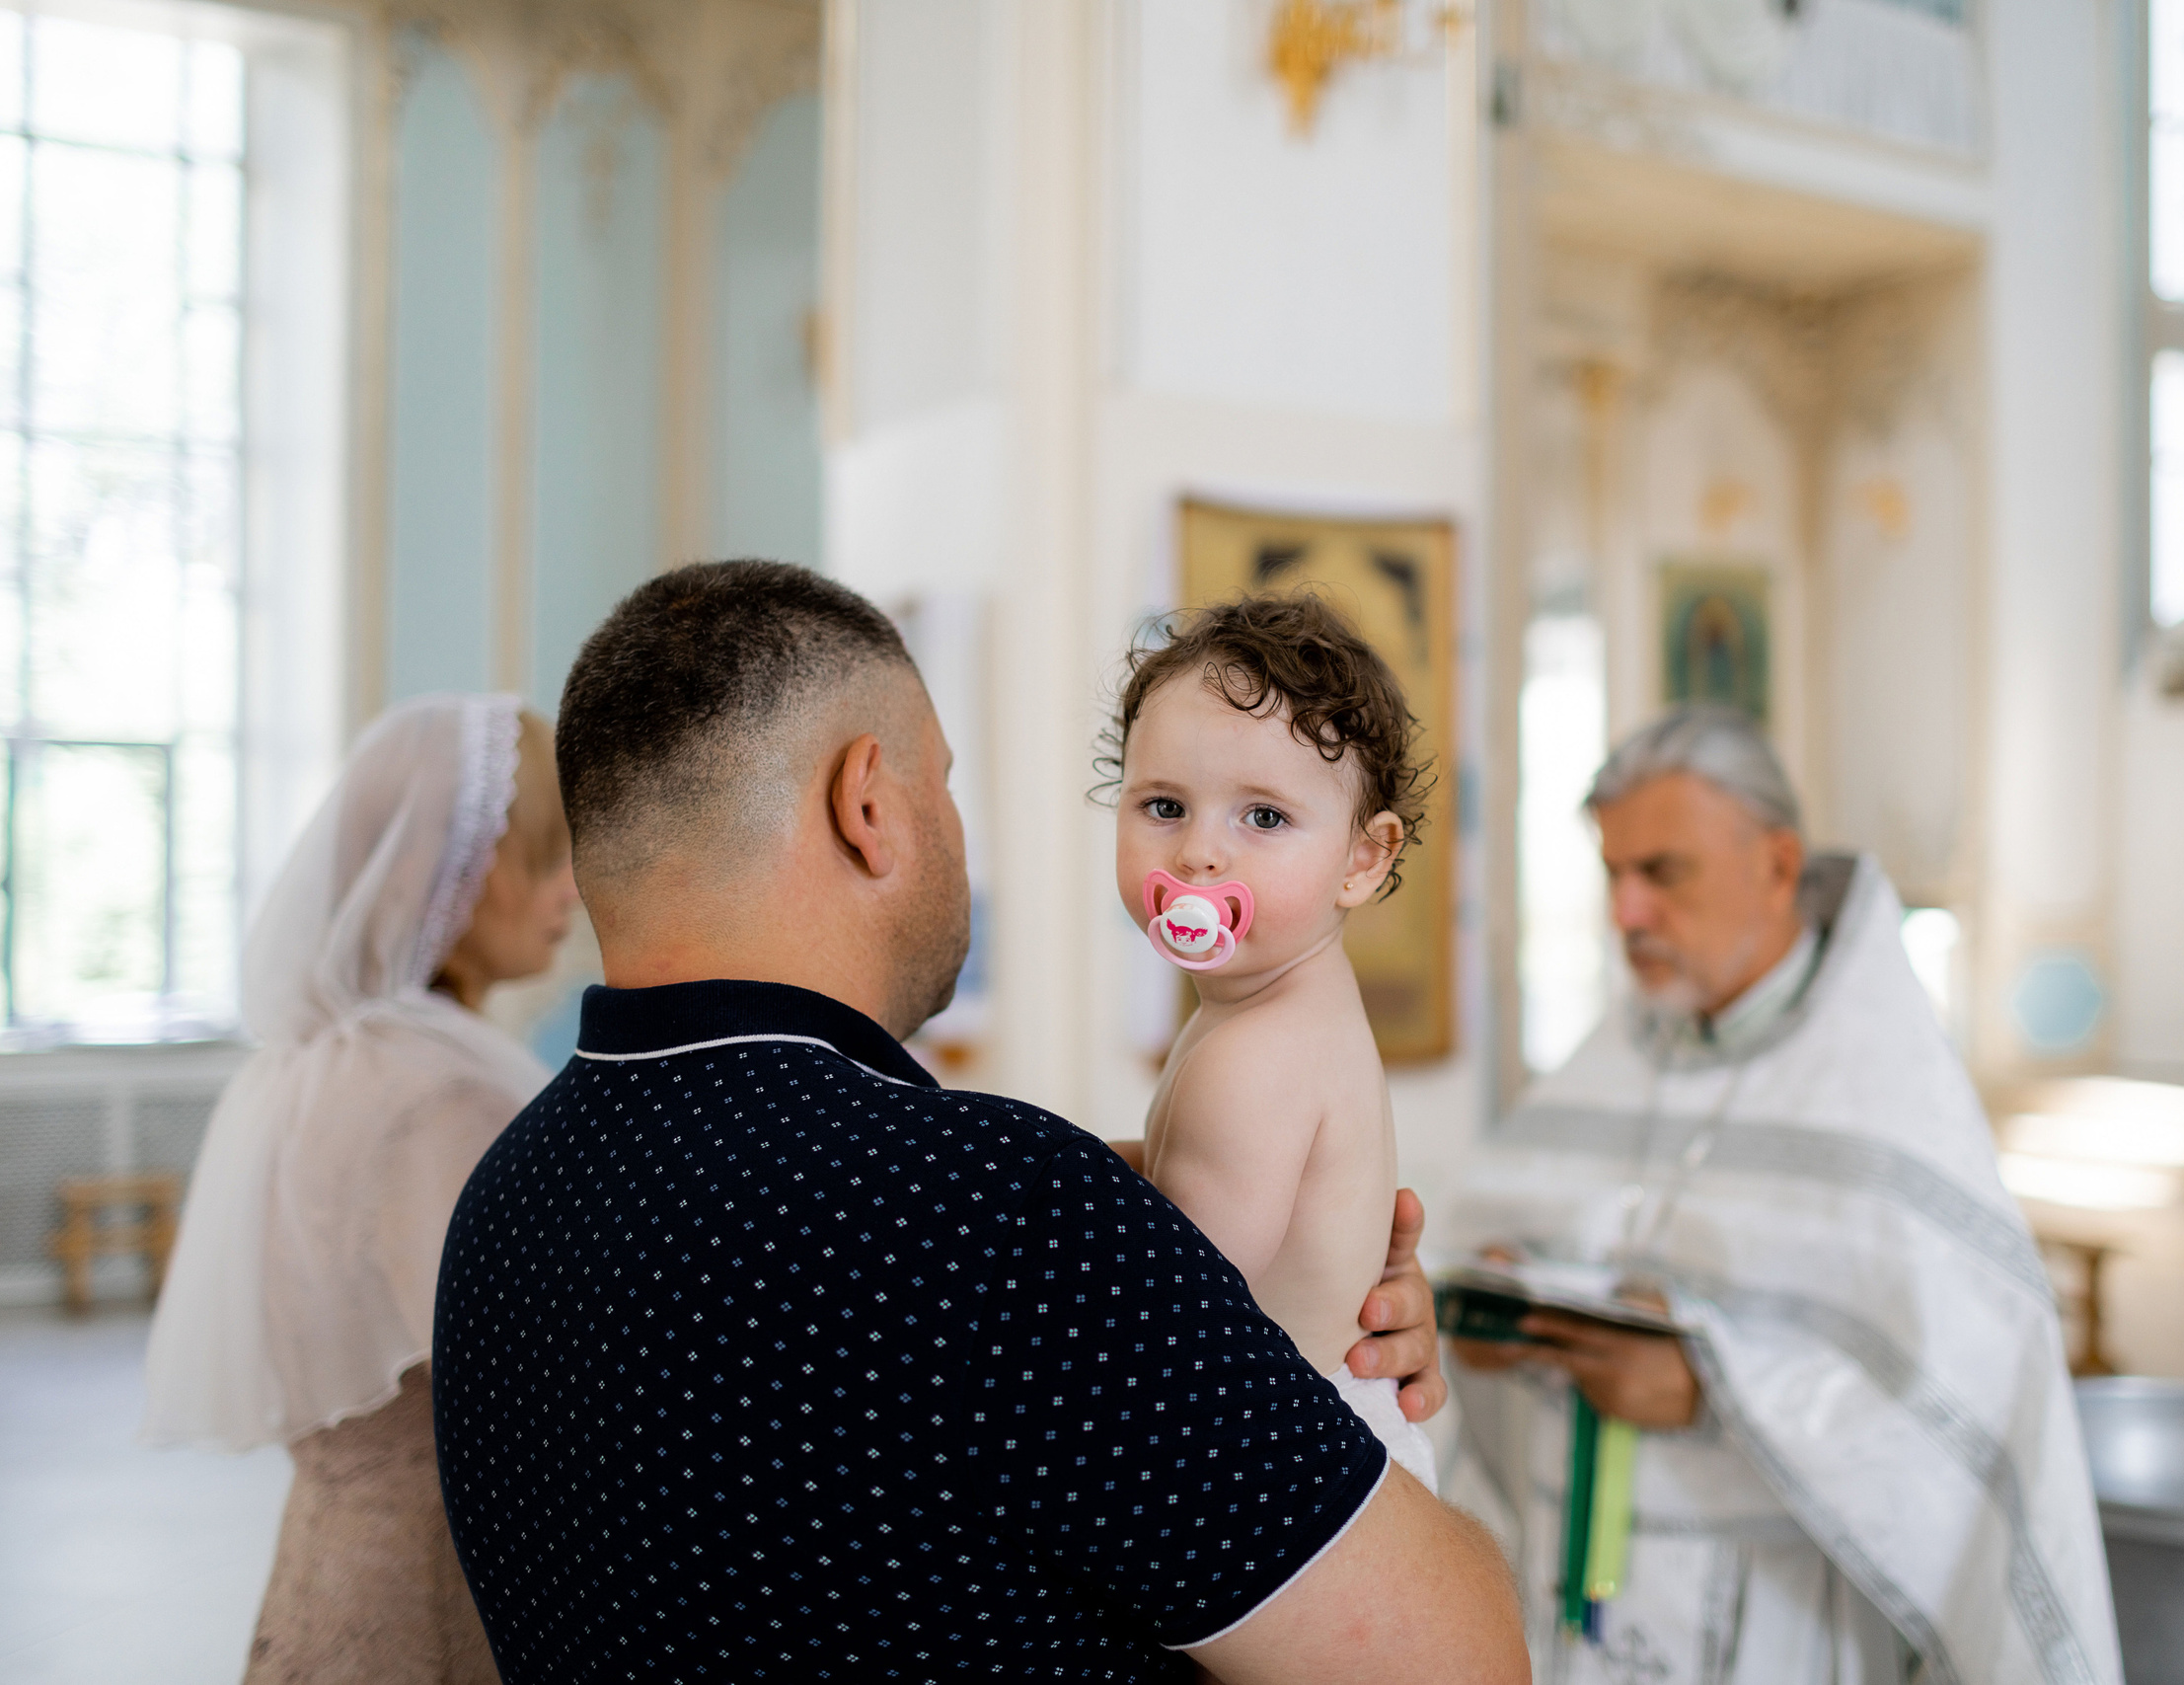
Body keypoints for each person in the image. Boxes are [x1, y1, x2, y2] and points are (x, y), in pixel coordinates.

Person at [431, 561, 1525, 1685]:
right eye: (944, 781)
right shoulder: (995, 1212)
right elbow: (1462, 1658)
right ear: (869, 805)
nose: (1198, 847)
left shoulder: (505, 1203)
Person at [1446, 707, 2121, 1685]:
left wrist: (1712, 1387)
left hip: (1778, 1620)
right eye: (1613, 875)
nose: (1625, 914)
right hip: (1567, 1603)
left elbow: (1961, 1408)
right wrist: (1489, 1315)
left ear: (1774, 863)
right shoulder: (1614, 1056)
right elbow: (1499, 1254)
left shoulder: (1885, 1088)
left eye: (1662, 874)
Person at [143, 694, 578, 1685]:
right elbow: (533, 1390)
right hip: (425, 1608)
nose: (574, 892)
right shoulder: (438, 1089)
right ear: (451, 871)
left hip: (323, 1568)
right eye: (548, 856)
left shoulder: (315, 1066)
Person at [1113, 594, 1438, 1488]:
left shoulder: (1257, 1053)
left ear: (1362, 860)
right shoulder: (1272, 1008)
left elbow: (1165, 1302)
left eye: (1262, 818)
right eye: (1164, 804)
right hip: (1316, 1416)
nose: (1198, 855)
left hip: (1287, 1457)